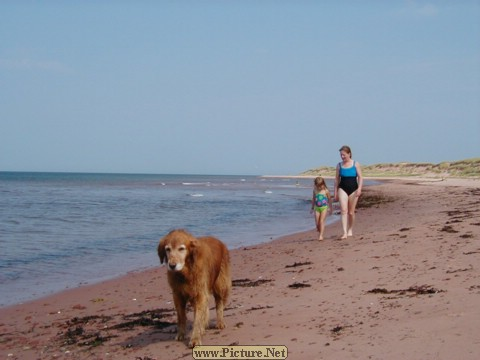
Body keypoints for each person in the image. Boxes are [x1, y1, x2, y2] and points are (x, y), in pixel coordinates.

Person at [334, 145, 363, 239]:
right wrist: (335, 193)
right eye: (341, 155)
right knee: (343, 211)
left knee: (351, 212)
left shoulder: (355, 164)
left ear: (349, 154)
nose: (342, 157)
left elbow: (360, 177)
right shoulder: (339, 165)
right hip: (342, 188)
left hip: (354, 189)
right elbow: (336, 180)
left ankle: (350, 229)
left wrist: (359, 189)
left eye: (344, 155)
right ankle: (344, 232)